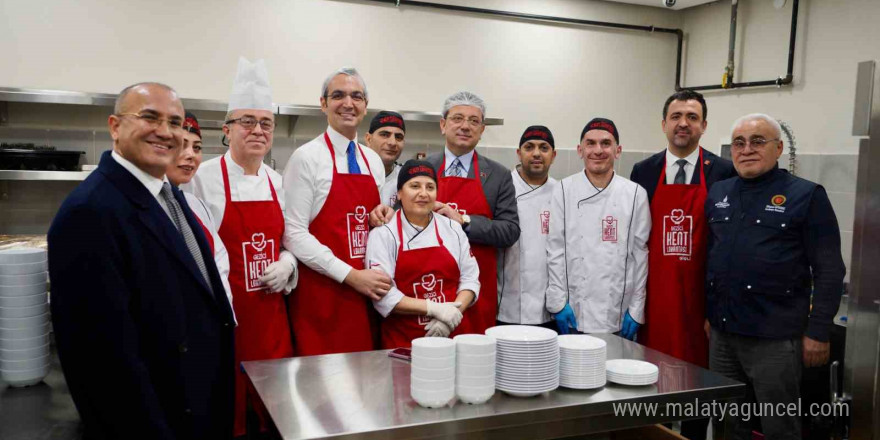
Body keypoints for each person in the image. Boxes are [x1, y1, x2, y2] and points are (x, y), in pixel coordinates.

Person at [48, 83, 235, 439]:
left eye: (175, 122)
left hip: (197, 402)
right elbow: (100, 362)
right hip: (156, 419)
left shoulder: (169, 194)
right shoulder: (90, 212)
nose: (166, 132)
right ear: (115, 126)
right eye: (149, 117)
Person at [705, 114, 845, 440]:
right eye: (739, 143)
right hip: (724, 336)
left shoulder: (806, 196)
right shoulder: (719, 193)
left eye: (758, 141)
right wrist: (708, 313)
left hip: (775, 339)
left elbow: (830, 269)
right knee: (727, 424)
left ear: (778, 148)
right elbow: (711, 258)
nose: (747, 149)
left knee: (779, 426)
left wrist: (819, 330)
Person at [188, 57, 295, 438]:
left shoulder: (277, 180)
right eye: (247, 121)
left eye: (265, 123)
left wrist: (287, 262)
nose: (257, 130)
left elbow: (291, 239)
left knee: (276, 410)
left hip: (272, 316)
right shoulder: (201, 177)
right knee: (229, 409)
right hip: (226, 316)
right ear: (227, 129)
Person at [630, 89, 735, 440]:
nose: (683, 124)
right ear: (663, 124)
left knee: (696, 384)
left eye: (692, 117)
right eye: (676, 116)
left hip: (699, 303)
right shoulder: (643, 171)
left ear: (704, 126)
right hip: (653, 299)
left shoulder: (724, 172)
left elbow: (727, 245)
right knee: (648, 381)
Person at [282, 67, 388, 355]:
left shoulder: (372, 160)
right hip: (323, 296)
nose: (348, 103)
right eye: (338, 95)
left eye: (356, 96)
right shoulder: (306, 158)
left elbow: (374, 220)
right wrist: (351, 275)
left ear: (365, 105)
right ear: (323, 103)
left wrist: (380, 216)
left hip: (367, 295)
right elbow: (293, 233)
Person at [546, 118, 650, 337]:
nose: (598, 150)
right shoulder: (564, 189)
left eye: (606, 143)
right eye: (590, 143)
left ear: (618, 150)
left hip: (617, 311)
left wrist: (637, 308)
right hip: (574, 308)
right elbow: (555, 249)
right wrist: (558, 302)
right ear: (580, 150)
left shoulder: (634, 194)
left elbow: (640, 255)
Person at [366, 160, 480, 347]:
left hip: (452, 336)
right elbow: (383, 294)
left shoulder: (452, 228)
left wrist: (451, 314)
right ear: (400, 193)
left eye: (430, 187)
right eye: (414, 186)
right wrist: (434, 309)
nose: (423, 193)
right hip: (403, 342)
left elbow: (470, 279)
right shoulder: (384, 235)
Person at [167, 112, 234, 311]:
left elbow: (220, 268)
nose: (190, 155)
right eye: (180, 145)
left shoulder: (197, 206)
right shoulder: (145, 207)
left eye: (196, 147)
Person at [497, 125, 558, 330]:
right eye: (529, 147)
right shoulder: (502, 187)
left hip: (548, 308)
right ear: (518, 153)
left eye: (544, 148)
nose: (536, 154)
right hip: (505, 304)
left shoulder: (561, 193)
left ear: (553, 155)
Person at [365, 110, 406, 207]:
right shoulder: (354, 174)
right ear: (368, 139)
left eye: (398, 137)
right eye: (384, 135)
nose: (392, 142)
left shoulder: (407, 178)